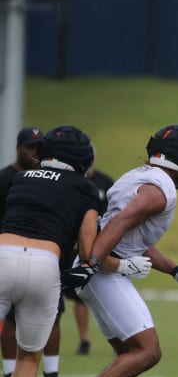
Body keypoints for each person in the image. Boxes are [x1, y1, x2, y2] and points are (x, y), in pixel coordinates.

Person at [57, 125, 178, 377]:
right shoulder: (159, 190)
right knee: (148, 352)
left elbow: (134, 240)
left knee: (129, 356)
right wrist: (92, 264)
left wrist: (176, 271)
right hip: (104, 271)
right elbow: (121, 223)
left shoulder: (136, 176)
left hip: (101, 267)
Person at [0, 125, 137, 377]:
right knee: (28, 358)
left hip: (3, 257)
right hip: (45, 265)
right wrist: (125, 265)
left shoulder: (19, 177)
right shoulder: (85, 187)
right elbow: (89, 253)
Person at [0, 127, 74, 377]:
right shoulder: (5, 178)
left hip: (43, 256)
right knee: (10, 320)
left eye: (38, 147)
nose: (34, 152)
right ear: (18, 147)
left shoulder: (50, 180)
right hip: (9, 254)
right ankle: (9, 373)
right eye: (29, 146)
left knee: (54, 315)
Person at [64, 150, 115, 357]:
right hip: (75, 244)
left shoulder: (106, 181)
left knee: (110, 294)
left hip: (103, 243)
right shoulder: (73, 183)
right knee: (78, 296)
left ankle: (119, 339)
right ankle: (84, 339)